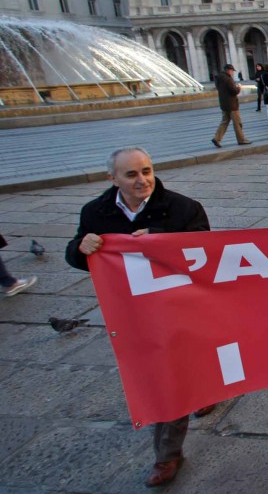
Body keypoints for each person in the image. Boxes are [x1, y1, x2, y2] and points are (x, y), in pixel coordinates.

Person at [64, 147, 213, 488]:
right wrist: (79, 248)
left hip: (182, 309)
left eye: (146, 171)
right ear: (112, 179)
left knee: (181, 370)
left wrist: (163, 241)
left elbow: (207, 249)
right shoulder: (96, 212)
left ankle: (168, 452)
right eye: (131, 174)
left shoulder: (183, 207)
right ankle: (173, 446)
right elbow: (77, 254)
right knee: (164, 379)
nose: (142, 180)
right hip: (135, 316)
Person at [211, 63, 251, 147]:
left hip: (224, 104)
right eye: (232, 71)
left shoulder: (218, 78)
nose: (233, 73)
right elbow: (234, 91)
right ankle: (241, 139)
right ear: (229, 70)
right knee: (237, 123)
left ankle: (216, 138)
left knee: (224, 122)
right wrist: (239, 87)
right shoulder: (228, 79)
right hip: (232, 104)